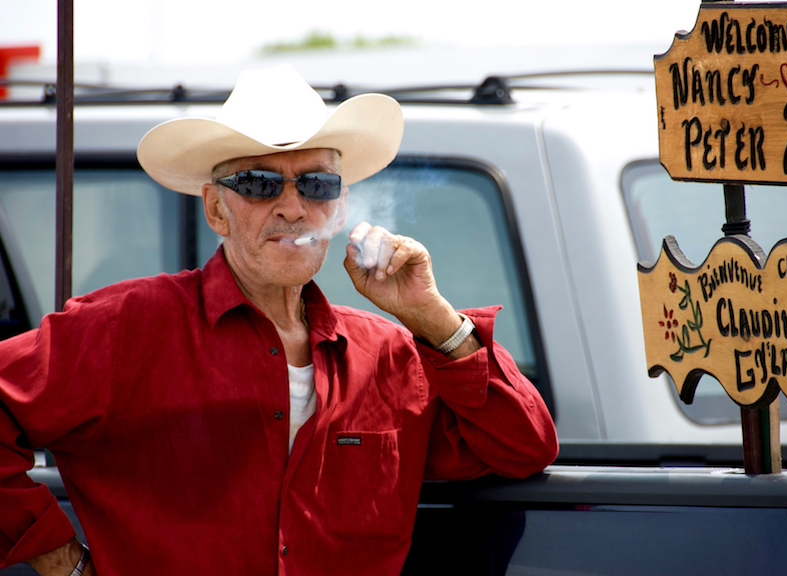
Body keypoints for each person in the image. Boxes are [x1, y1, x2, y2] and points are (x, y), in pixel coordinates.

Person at [0, 64, 558, 576]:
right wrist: (61, 562)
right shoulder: (130, 326)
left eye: (316, 185)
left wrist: (434, 318)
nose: (293, 207)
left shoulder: (389, 353)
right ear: (217, 209)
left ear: (338, 209)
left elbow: (525, 446)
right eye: (260, 183)